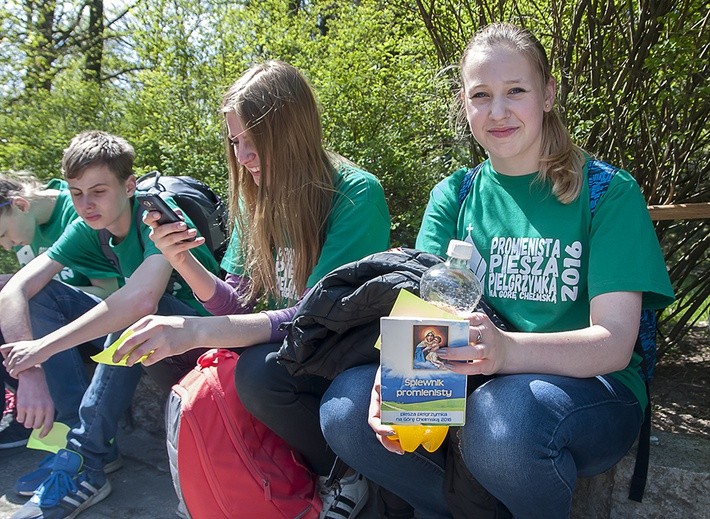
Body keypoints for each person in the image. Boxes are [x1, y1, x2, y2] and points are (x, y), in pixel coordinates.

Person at [320, 22, 674, 518]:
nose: (498, 111)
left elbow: (613, 344)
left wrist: (504, 350)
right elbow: (429, 326)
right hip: (471, 377)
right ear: (465, 104)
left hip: (590, 392)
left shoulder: (608, 194)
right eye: (481, 95)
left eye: (516, 91)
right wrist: (394, 380)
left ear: (548, 94)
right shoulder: (454, 195)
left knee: (500, 419)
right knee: (347, 408)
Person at [112, 60, 391, 518]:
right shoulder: (256, 198)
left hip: (337, 351)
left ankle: (343, 473)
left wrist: (195, 331)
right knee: (163, 355)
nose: (243, 156)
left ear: (290, 131)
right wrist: (181, 259)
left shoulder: (354, 194)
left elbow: (312, 318)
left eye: (253, 140)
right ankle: (233, 477)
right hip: (286, 348)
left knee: (258, 373)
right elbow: (237, 301)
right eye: (235, 141)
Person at [1, 130, 220, 519]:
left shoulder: (157, 214)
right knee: (42, 295)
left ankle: (86, 463)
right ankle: (73, 443)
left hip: (206, 337)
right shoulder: (89, 226)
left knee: (136, 313)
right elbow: (15, 289)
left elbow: (140, 299)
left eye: (98, 191)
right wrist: (31, 370)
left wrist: (43, 347)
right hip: (150, 334)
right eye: (76, 193)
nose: (85, 205)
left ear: (129, 185)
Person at [0, 171, 120, 450]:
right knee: (15, 300)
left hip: (109, 324)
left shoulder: (77, 212)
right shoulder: (27, 228)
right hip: (60, 327)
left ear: (20, 205)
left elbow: (110, 293)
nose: (6, 246)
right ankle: (27, 415)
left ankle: (76, 434)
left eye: (4, 235)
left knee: (36, 297)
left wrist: (43, 288)